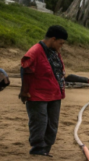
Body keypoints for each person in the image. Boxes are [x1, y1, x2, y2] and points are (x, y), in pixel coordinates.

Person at [19, 25, 68, 157]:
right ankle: (37, 148)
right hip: (37, 94)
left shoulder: (54, 52)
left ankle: (46, 148)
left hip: (55, 93)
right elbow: (26, 69)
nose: (61, 46)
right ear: (53, 39)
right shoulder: (35, 51)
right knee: (39, 122)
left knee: (52, 124)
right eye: (60, 43)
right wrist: (24, 92)